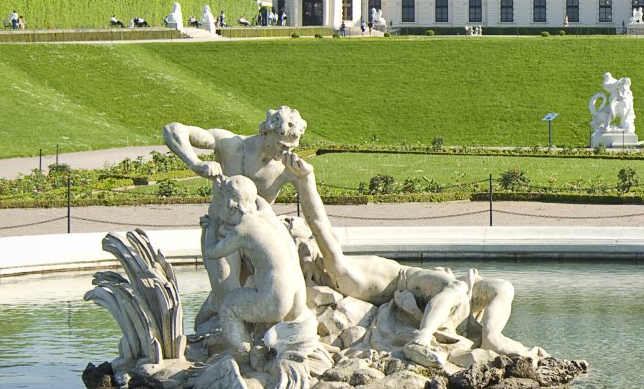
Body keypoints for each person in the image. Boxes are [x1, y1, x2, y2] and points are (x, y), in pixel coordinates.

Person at [281, 153, 537, 359]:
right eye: (303, 236)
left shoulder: (335, 262)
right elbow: (320, 224)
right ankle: (423, 337)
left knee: (503, 287)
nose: (310, 239)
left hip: (422, 284)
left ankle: (491, 337)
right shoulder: (339, 269)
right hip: (410, 285)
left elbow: (318, 229)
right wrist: (307, 181)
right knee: (457, 288)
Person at [162, 107, 308, 334]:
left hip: (258, 240)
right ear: (266, 133)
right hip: (222, 233)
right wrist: (196, 163)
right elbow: (173, 130)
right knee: (228, 300)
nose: (285, 153)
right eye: (281, 146)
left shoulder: (285, 167)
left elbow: (312, 210)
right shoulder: (231, 145)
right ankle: (225, 340)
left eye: (291, 148)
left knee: (269, 300)